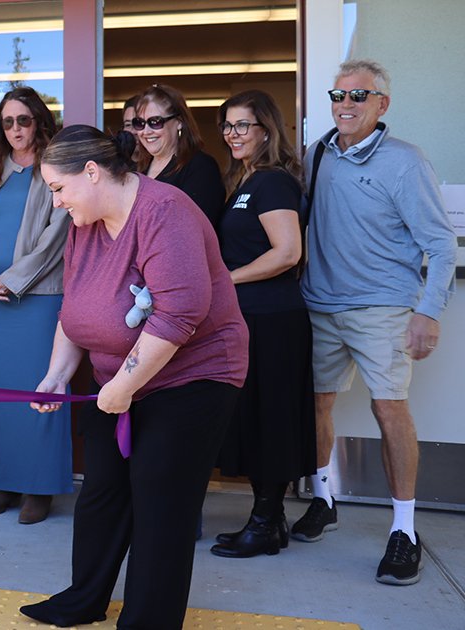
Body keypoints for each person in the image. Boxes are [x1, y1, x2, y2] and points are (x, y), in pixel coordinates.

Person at [20, 125, 248, 630]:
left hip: (194, 376)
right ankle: (84, 599)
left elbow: (177, 316)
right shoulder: (86, 223)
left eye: (58, 189)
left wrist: (120, 387)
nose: (56, 203)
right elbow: (75, 309)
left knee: (159, 495)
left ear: (93, 173)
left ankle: (148, 621)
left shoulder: (165, 212)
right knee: (102, 489)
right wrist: (58, 375)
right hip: (116, 382)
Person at [298, 59, 456, 585]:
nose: (346, 105)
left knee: (389, 409)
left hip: (383, 308)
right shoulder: (316, 153)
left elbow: (439, 243)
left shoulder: (406, 162)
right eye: (338, 96)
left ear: (382, 104)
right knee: (316, 404)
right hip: (319, 304)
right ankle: (324, 500)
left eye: (359, 96)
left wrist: (428, 311)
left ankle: (404, 531)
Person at [209, 90, 316, 558]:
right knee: (254, 418)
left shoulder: (272, 182)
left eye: (243, 126)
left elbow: (288, 253)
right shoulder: (246, 180)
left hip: (273, 319)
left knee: (269, 419)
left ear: (267, 130)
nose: (233, 134)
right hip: (251, 317)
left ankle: (267, 524)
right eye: (227, 126)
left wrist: (226, 279)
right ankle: (266, 520)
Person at [0, 87, 72, 525]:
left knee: (40, 393)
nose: (16, 130)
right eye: (7, 123)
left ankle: (39, 488)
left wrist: (10, 280)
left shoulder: (55, 168)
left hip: (38, 299)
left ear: (39, 121)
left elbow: (55, 237)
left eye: (23, 120)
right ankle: (2, 482)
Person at [132, 84, 224, 226]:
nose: (146, 131)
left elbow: (196, 229)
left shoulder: (201, 167)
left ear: (179, 122)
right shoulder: (137, 171)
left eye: (155, 122)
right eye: (140, 123)